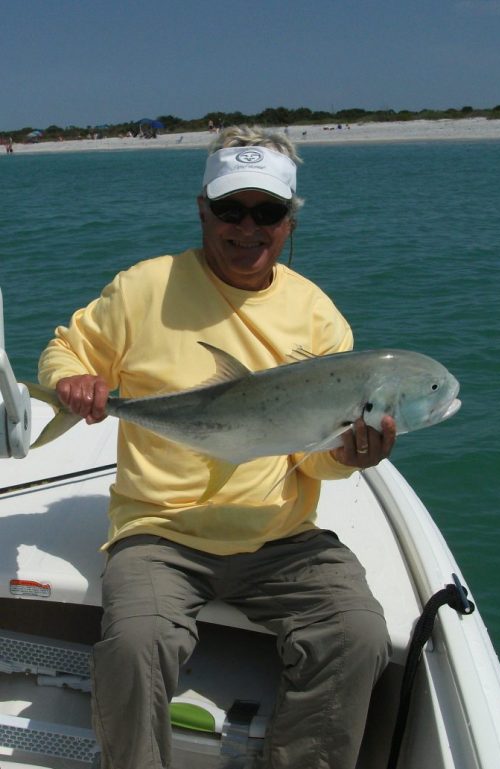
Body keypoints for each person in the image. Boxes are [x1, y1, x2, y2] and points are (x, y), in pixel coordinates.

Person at [38, 125, 396, 769]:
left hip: (281, 538)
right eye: (230, 208)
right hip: (162, 532)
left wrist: (348, 457)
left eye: (268, 212)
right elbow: (66, 348)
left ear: (290, 221)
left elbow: (311, 453)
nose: (246, 227)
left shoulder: (319, 317)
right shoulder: (146, 288)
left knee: (360, 635)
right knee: (135, 645)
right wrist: (72, 381)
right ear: (202, 207)